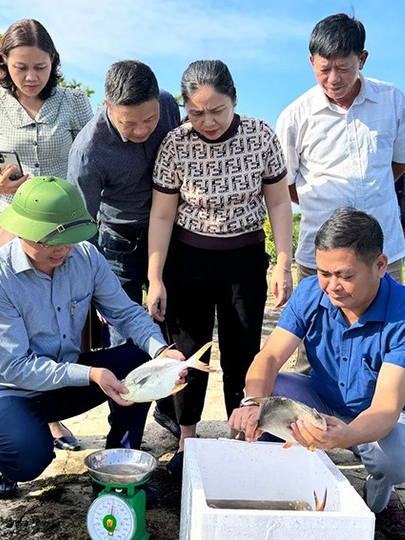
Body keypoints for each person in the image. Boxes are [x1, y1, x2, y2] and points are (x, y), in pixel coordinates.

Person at [0, 176, 186, 499]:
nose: (61, 250)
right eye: (49, 241)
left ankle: (116, 470)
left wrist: (161, 351)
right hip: (6, 389)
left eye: (69, 238)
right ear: (23, 231)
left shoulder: (85, 257)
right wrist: (92, 374)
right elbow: (16, 367)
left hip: (64, 377)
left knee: (142, 359)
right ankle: (4, 461)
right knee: (32, 455)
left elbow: (125, 313)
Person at [229, 208, 405, 540]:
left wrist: (345, 437)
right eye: (324, 272)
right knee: (266, 394)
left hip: (381, 414)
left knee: (395, 459)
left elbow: (385, 409)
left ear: (380, 265)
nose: (332, 286)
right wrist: (252, 403)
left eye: (345, 275)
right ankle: (272, 482)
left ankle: (379, 499)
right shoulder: (312, 292)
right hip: (320, 397)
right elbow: (269, 357)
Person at [147, 60, 293, 479]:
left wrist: (282, 262)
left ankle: (240, 436)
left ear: (235, 102)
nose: (207, 121)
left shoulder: (261, 135)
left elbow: (279, 202)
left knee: (242, 351)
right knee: (189, 351)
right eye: (196, 112)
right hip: (188, 260)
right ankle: (187, 439)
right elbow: (161, 215)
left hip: (244, 259)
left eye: (217, 110)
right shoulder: (175, 144)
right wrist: (156, 277)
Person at [0, 18, 94, 469]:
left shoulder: (75, 104)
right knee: (2, 318)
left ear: (53, 62)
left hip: (65, 227)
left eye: (39, 67)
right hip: (13, 224)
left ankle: (51, 415)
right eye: (21, 67)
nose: (30, 76)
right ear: (4, 63)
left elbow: (90, 160)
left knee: (65, 316)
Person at [276, 13, 405, 284]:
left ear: (362, 59)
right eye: (323, 69)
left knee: (386, 325)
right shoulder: (295, 116)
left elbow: (402, 161)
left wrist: (371, 186)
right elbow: (284, 185)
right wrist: (319, 199)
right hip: (320, 256)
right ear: (311, 62)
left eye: (343, 67)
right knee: (320, 326)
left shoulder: (392, 101)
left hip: (382, 254)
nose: (333, 79)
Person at [67, 60, 181, 347]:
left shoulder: (167, 105)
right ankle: (127, 392)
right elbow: (82, 227)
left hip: (170, 234)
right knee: (124, 338)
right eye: (128, 123)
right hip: (119, 244)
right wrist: (93, 287)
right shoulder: (88, 152)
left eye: (150, 120)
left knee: (173, 329)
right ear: (107, 105)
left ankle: (168, 392)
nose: (142, 130)